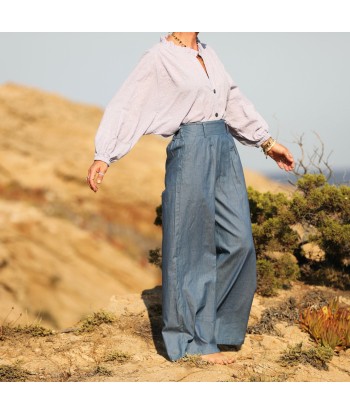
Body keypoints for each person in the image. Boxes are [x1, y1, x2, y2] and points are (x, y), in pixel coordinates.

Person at [87, 32, 294, 365]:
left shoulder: (209, 53)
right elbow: (128, 103)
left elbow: (233, 101)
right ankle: (192, 341)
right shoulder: (159, 57)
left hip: (223, 144)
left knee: (239, 241)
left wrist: (266, 143)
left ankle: (219, 330)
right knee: (190, 246)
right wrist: (105, 154)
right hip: (191, 145)